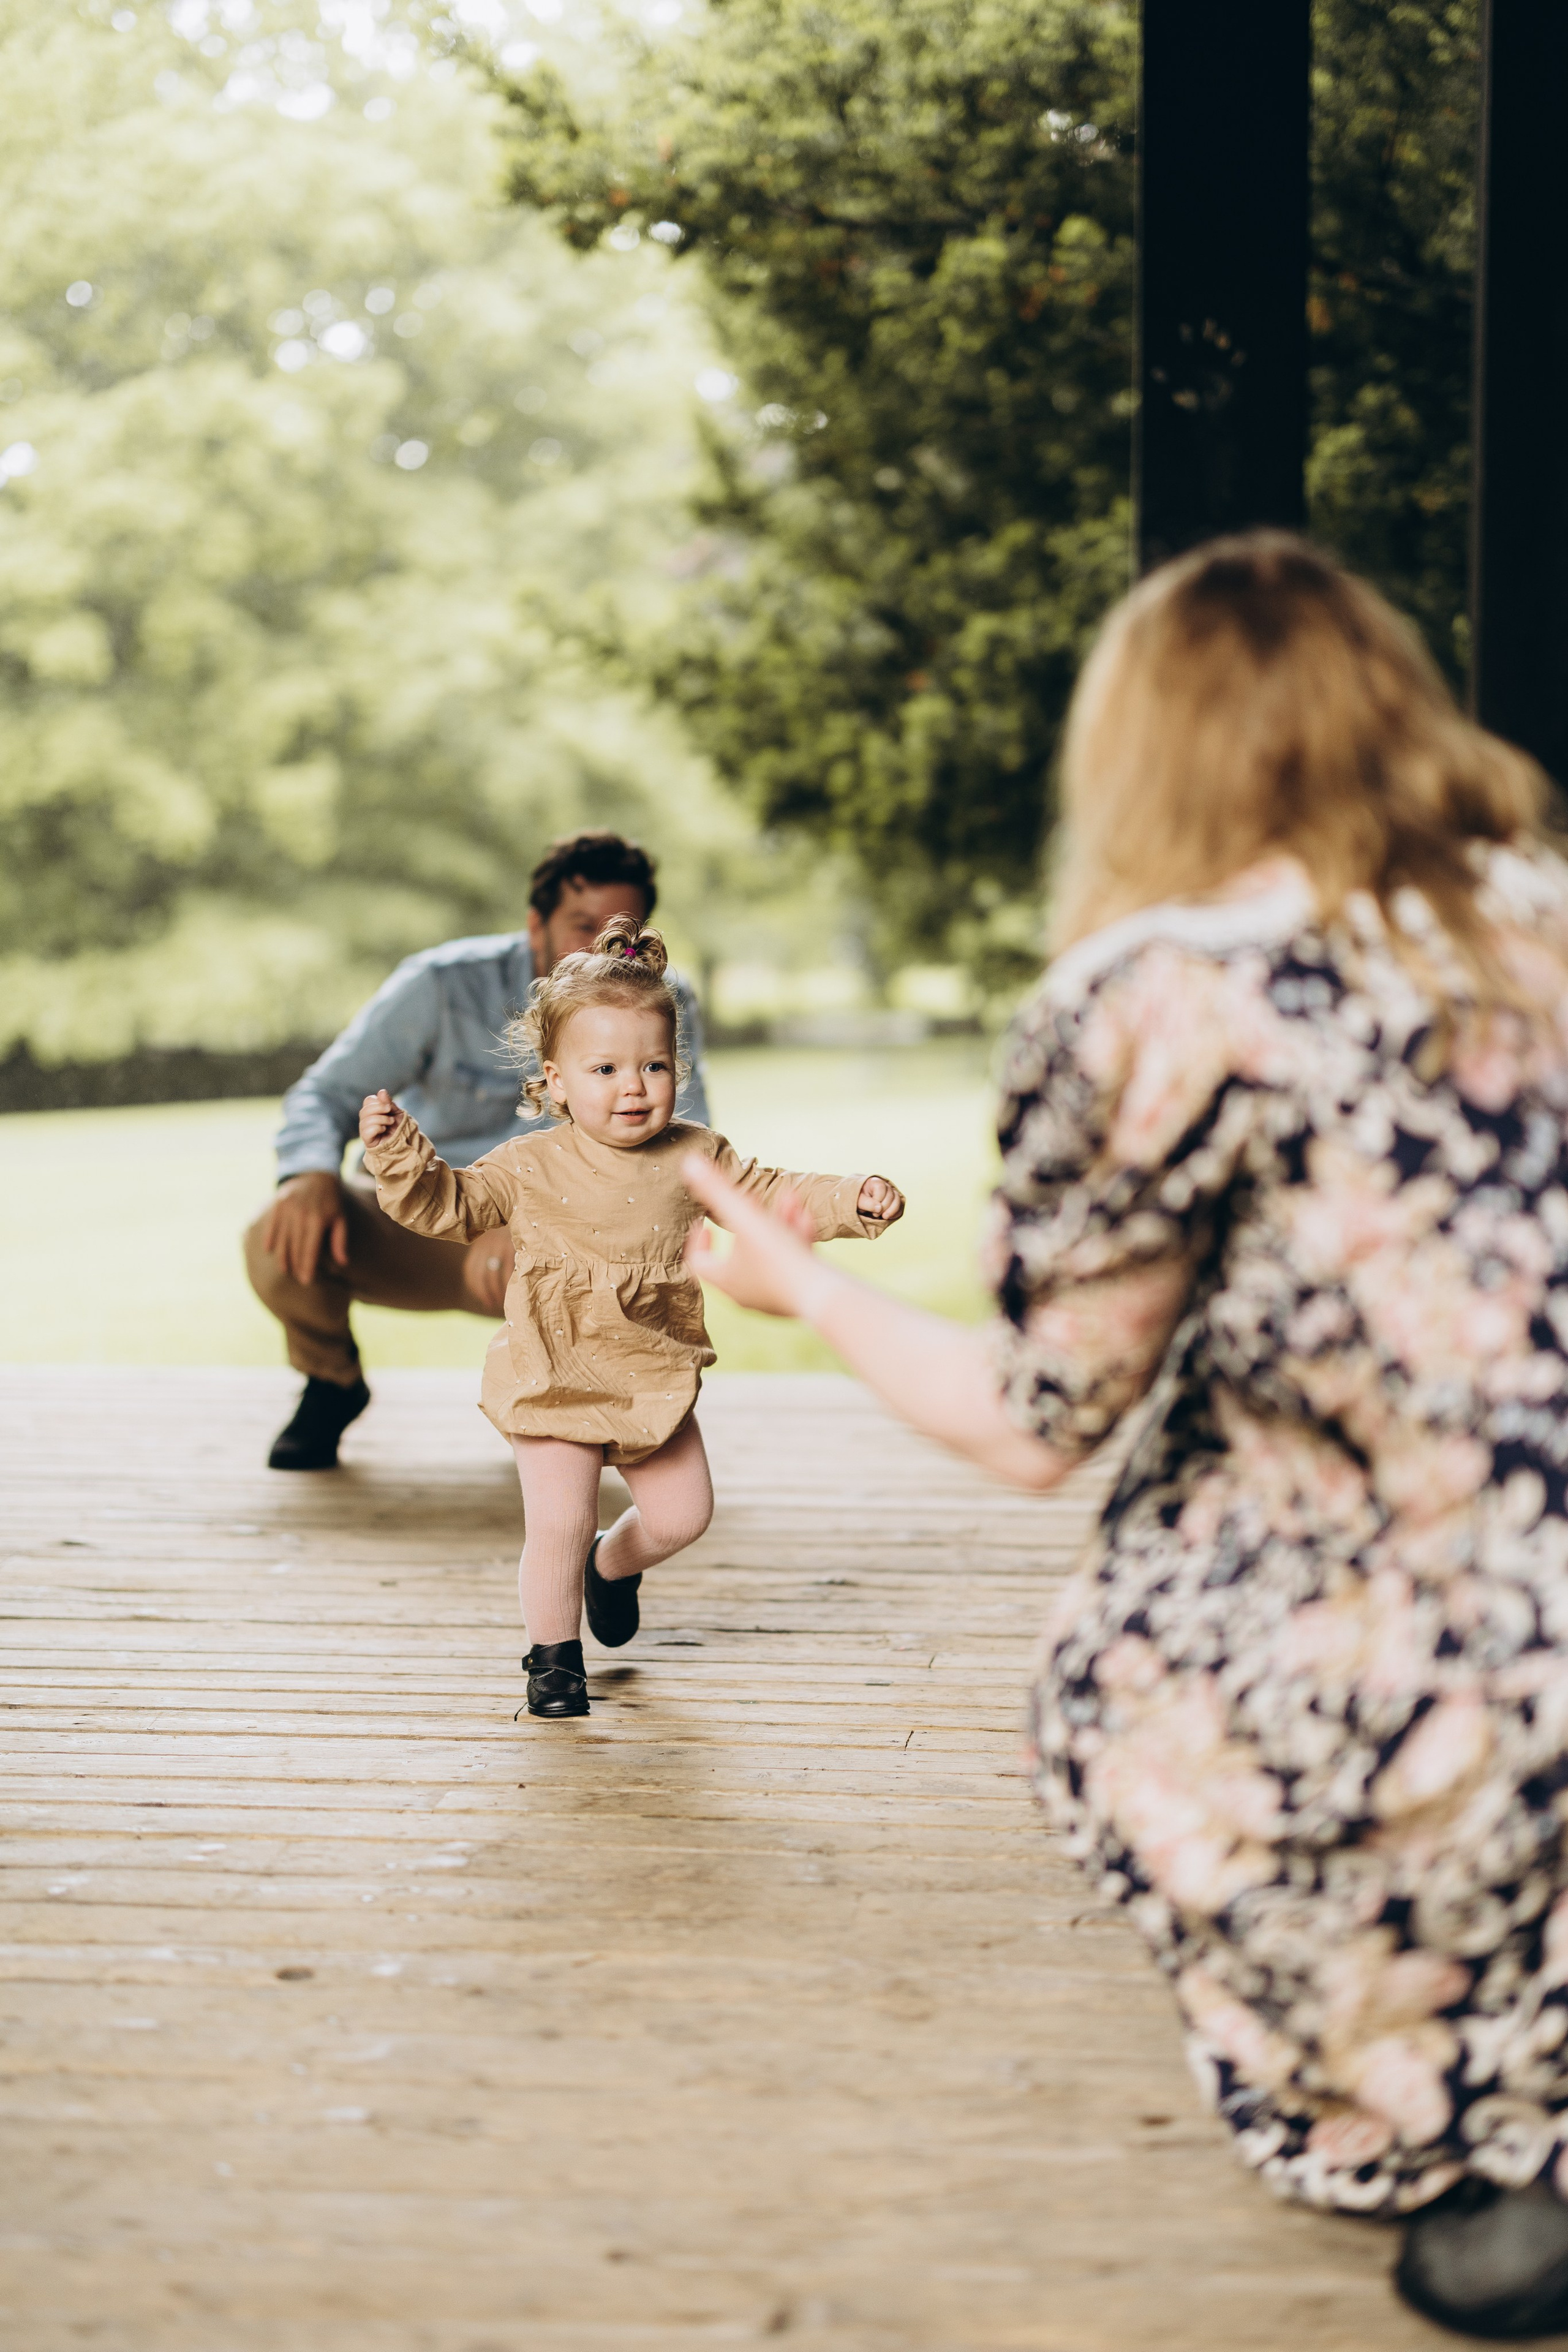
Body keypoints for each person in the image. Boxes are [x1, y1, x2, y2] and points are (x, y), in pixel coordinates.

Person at [680, 532, 1568, 2342]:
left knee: (1122, 1684)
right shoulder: (1540, 909)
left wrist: (808, 1286)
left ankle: (1436, 2124)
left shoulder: (1158, 995)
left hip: (1449, 1647)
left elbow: (1035, 1423)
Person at [357, 911, 904, 1721]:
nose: (634, 1086)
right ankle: (554, 1661)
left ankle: (609, 1569)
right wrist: (402, 1153)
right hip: (553, 1369)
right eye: (606, 1068)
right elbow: (452, 1205)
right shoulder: (530, 1164)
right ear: (555, 1081)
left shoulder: (693, 1155)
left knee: (684, 1517)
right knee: (561, 1521)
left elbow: (767, 1194)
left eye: (654, 1065)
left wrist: (851, 1198)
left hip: (649, 1369)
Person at [244, 830, 710, 1471]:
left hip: (573, 1239)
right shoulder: (441, 985)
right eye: (582, 926)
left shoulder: (662, 1003)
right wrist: (307, 1175)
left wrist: (542, 1220)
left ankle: (595, 1429)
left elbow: (685, 1145)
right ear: (535, 924)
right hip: (428, 1219)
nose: (601, 949)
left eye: (620, 931)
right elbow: (324, 1094)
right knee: (276, 1235)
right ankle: (331, 1383)